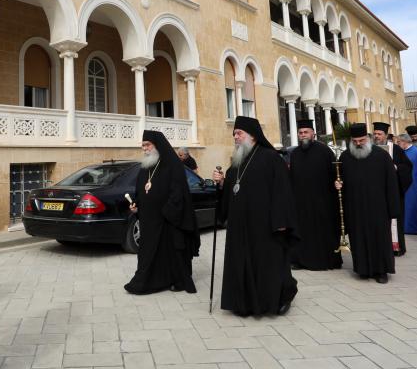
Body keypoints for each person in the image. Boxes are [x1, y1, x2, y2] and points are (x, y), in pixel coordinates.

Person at [213, 116, 298, 316]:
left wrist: (282, 221)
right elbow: (231, 192)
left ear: (252, 136)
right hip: (240, 227)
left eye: (239, 133)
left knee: (269, 264)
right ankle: (244, 303)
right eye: (234, 133)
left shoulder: (271, 158)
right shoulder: (236, 162)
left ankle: (280, 298)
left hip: (265, 225)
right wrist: (221, 184)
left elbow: (282, 192)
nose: (235, 137)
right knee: (242, 263)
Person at [124, 131, 199, 294]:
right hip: (148, 221)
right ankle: (149, 280)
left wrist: (165, 212)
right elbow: (140, 191)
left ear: (157, 145)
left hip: (168, 221)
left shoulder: (173, 165)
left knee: (170, 252)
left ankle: (172, 279)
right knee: (148, 253)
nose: (145, 149)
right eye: (143, 145)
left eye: (147, 145)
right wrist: (136, 205)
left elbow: (178, 194)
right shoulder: (145, 168)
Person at [335, 123, 399, 284]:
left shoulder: (381, 156)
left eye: (361, 140)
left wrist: (393, 208)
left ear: (368, 138)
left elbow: (391, 183)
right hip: (355, 207)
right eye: (355, 141)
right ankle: (362, 269)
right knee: (358, 239)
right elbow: (338, 178)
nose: (358, 144)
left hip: (378, 207)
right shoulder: (345, 157)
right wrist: (337, 183)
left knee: (380, 239)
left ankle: (381, 271)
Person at [288, 119, 341, 271]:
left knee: (322, 232)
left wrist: (338, 183)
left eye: (306, 132)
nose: (303, 135)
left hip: (322, 201)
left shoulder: (324, 151)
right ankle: (301, 260)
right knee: (302, 231)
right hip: (301, 202)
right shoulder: (295, 154)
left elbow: (335, 174)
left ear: (313, 134)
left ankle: (326, 260)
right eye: (300, 132)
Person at [372, 122, 412, 256]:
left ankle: (396, 246)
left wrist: (396, 168)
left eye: (379, 134)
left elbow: (407, 167)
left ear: (386, 135)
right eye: (375, 133)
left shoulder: (396, 149)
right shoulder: (369, 148)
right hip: (375, 192)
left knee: (394, 219)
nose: (377, 136)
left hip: (393, 190)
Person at [395, 134, 417, 235]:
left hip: (416, 185)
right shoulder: (400, 153)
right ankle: (406, 228)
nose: (397, 144)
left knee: (415, 206)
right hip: (403, 185)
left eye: (398, 142)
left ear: (405, 142)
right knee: (406, 207)